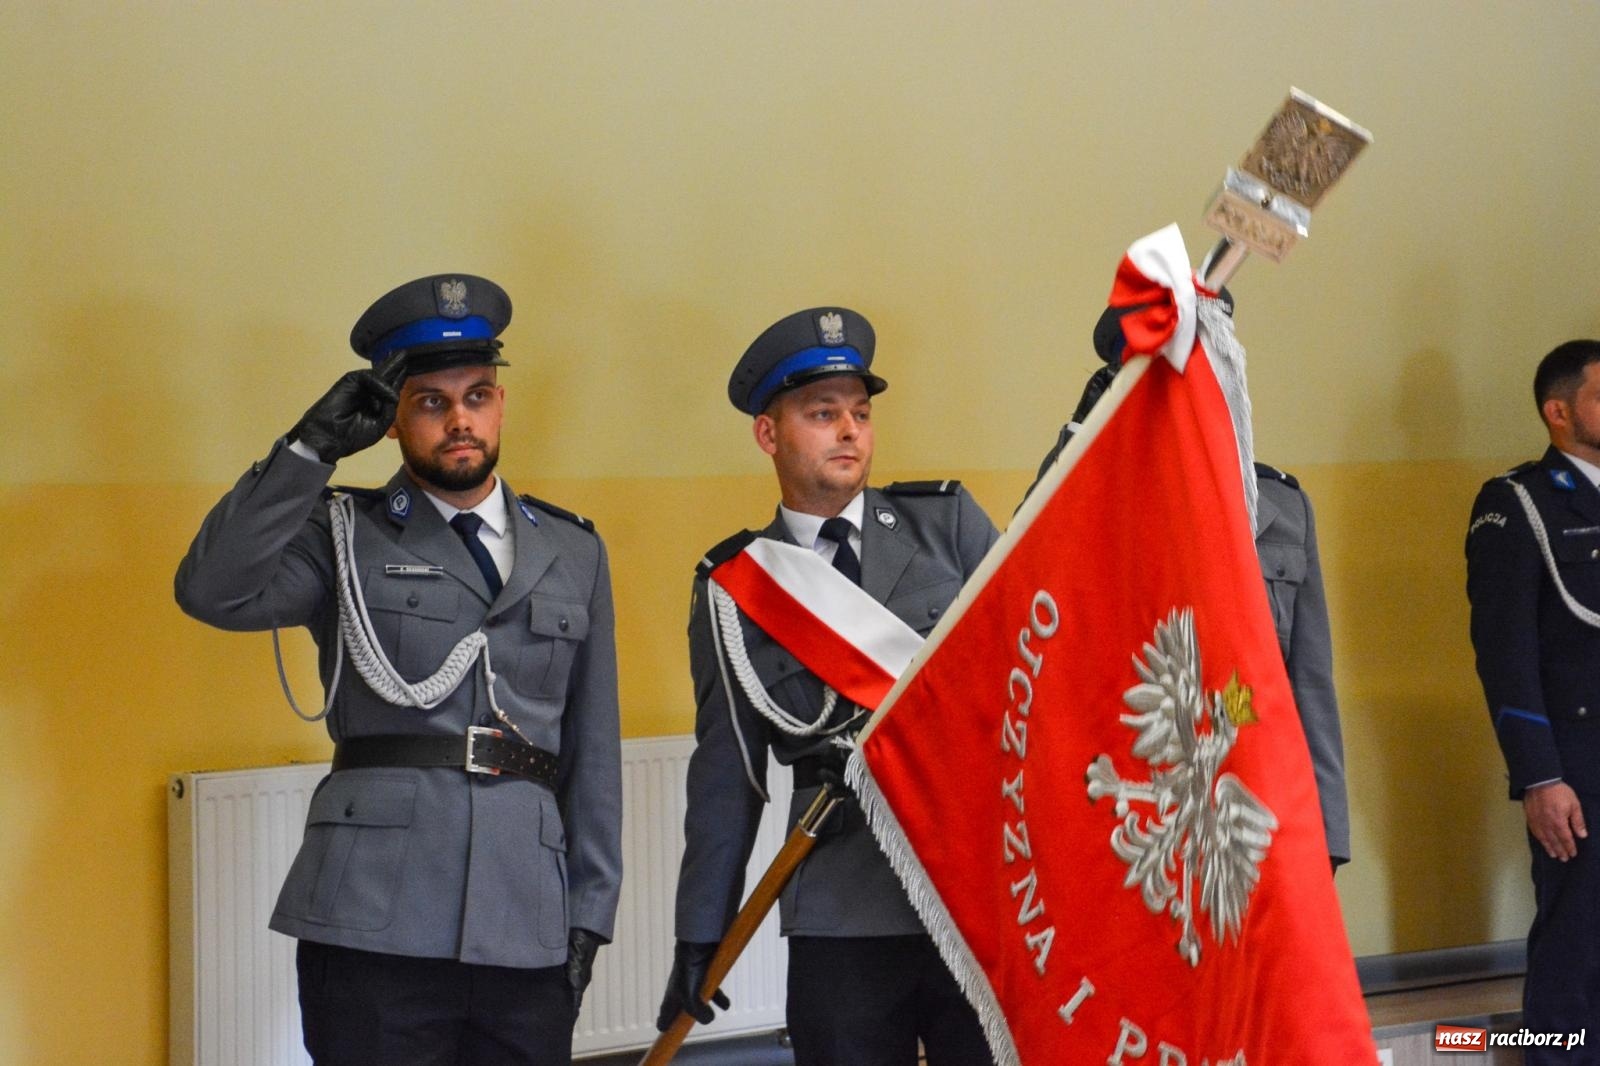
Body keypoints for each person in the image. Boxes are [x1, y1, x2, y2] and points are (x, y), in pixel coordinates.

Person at [175, 274, 622, 1066]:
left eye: (478, 395)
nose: (461, 419)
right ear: (390, 422)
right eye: (431, 401)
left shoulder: (572, 549)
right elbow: (212, 590)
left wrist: (589, 909)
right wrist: (308, 450)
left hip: (524, 918)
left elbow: (593, 749)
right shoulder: (343, 532)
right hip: (374, 915)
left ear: (501, 405)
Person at [655, 307, 999, 1065]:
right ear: (769, 435)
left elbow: (1027, 683)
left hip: (972, 894)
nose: (849, 430)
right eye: (822, 413)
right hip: (840, 908)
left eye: (860, 413)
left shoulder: (946, 525)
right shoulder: (737, 584)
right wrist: (700, 933)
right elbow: (729, 773)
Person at [1027, 290, 1351, 869]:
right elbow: (1024, 568)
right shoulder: (1086, 498)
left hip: (1248, 813)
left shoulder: (1279, 507)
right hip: (1123, 809)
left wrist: (1325, 838)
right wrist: (1080, 431)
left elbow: (1308, 687)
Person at [1467, 338, 1600, 1058]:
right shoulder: (1516, 505)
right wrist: (1540, 777)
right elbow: (1505, 655)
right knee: (1576, 944)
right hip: (1580, 769)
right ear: (1559, 411)